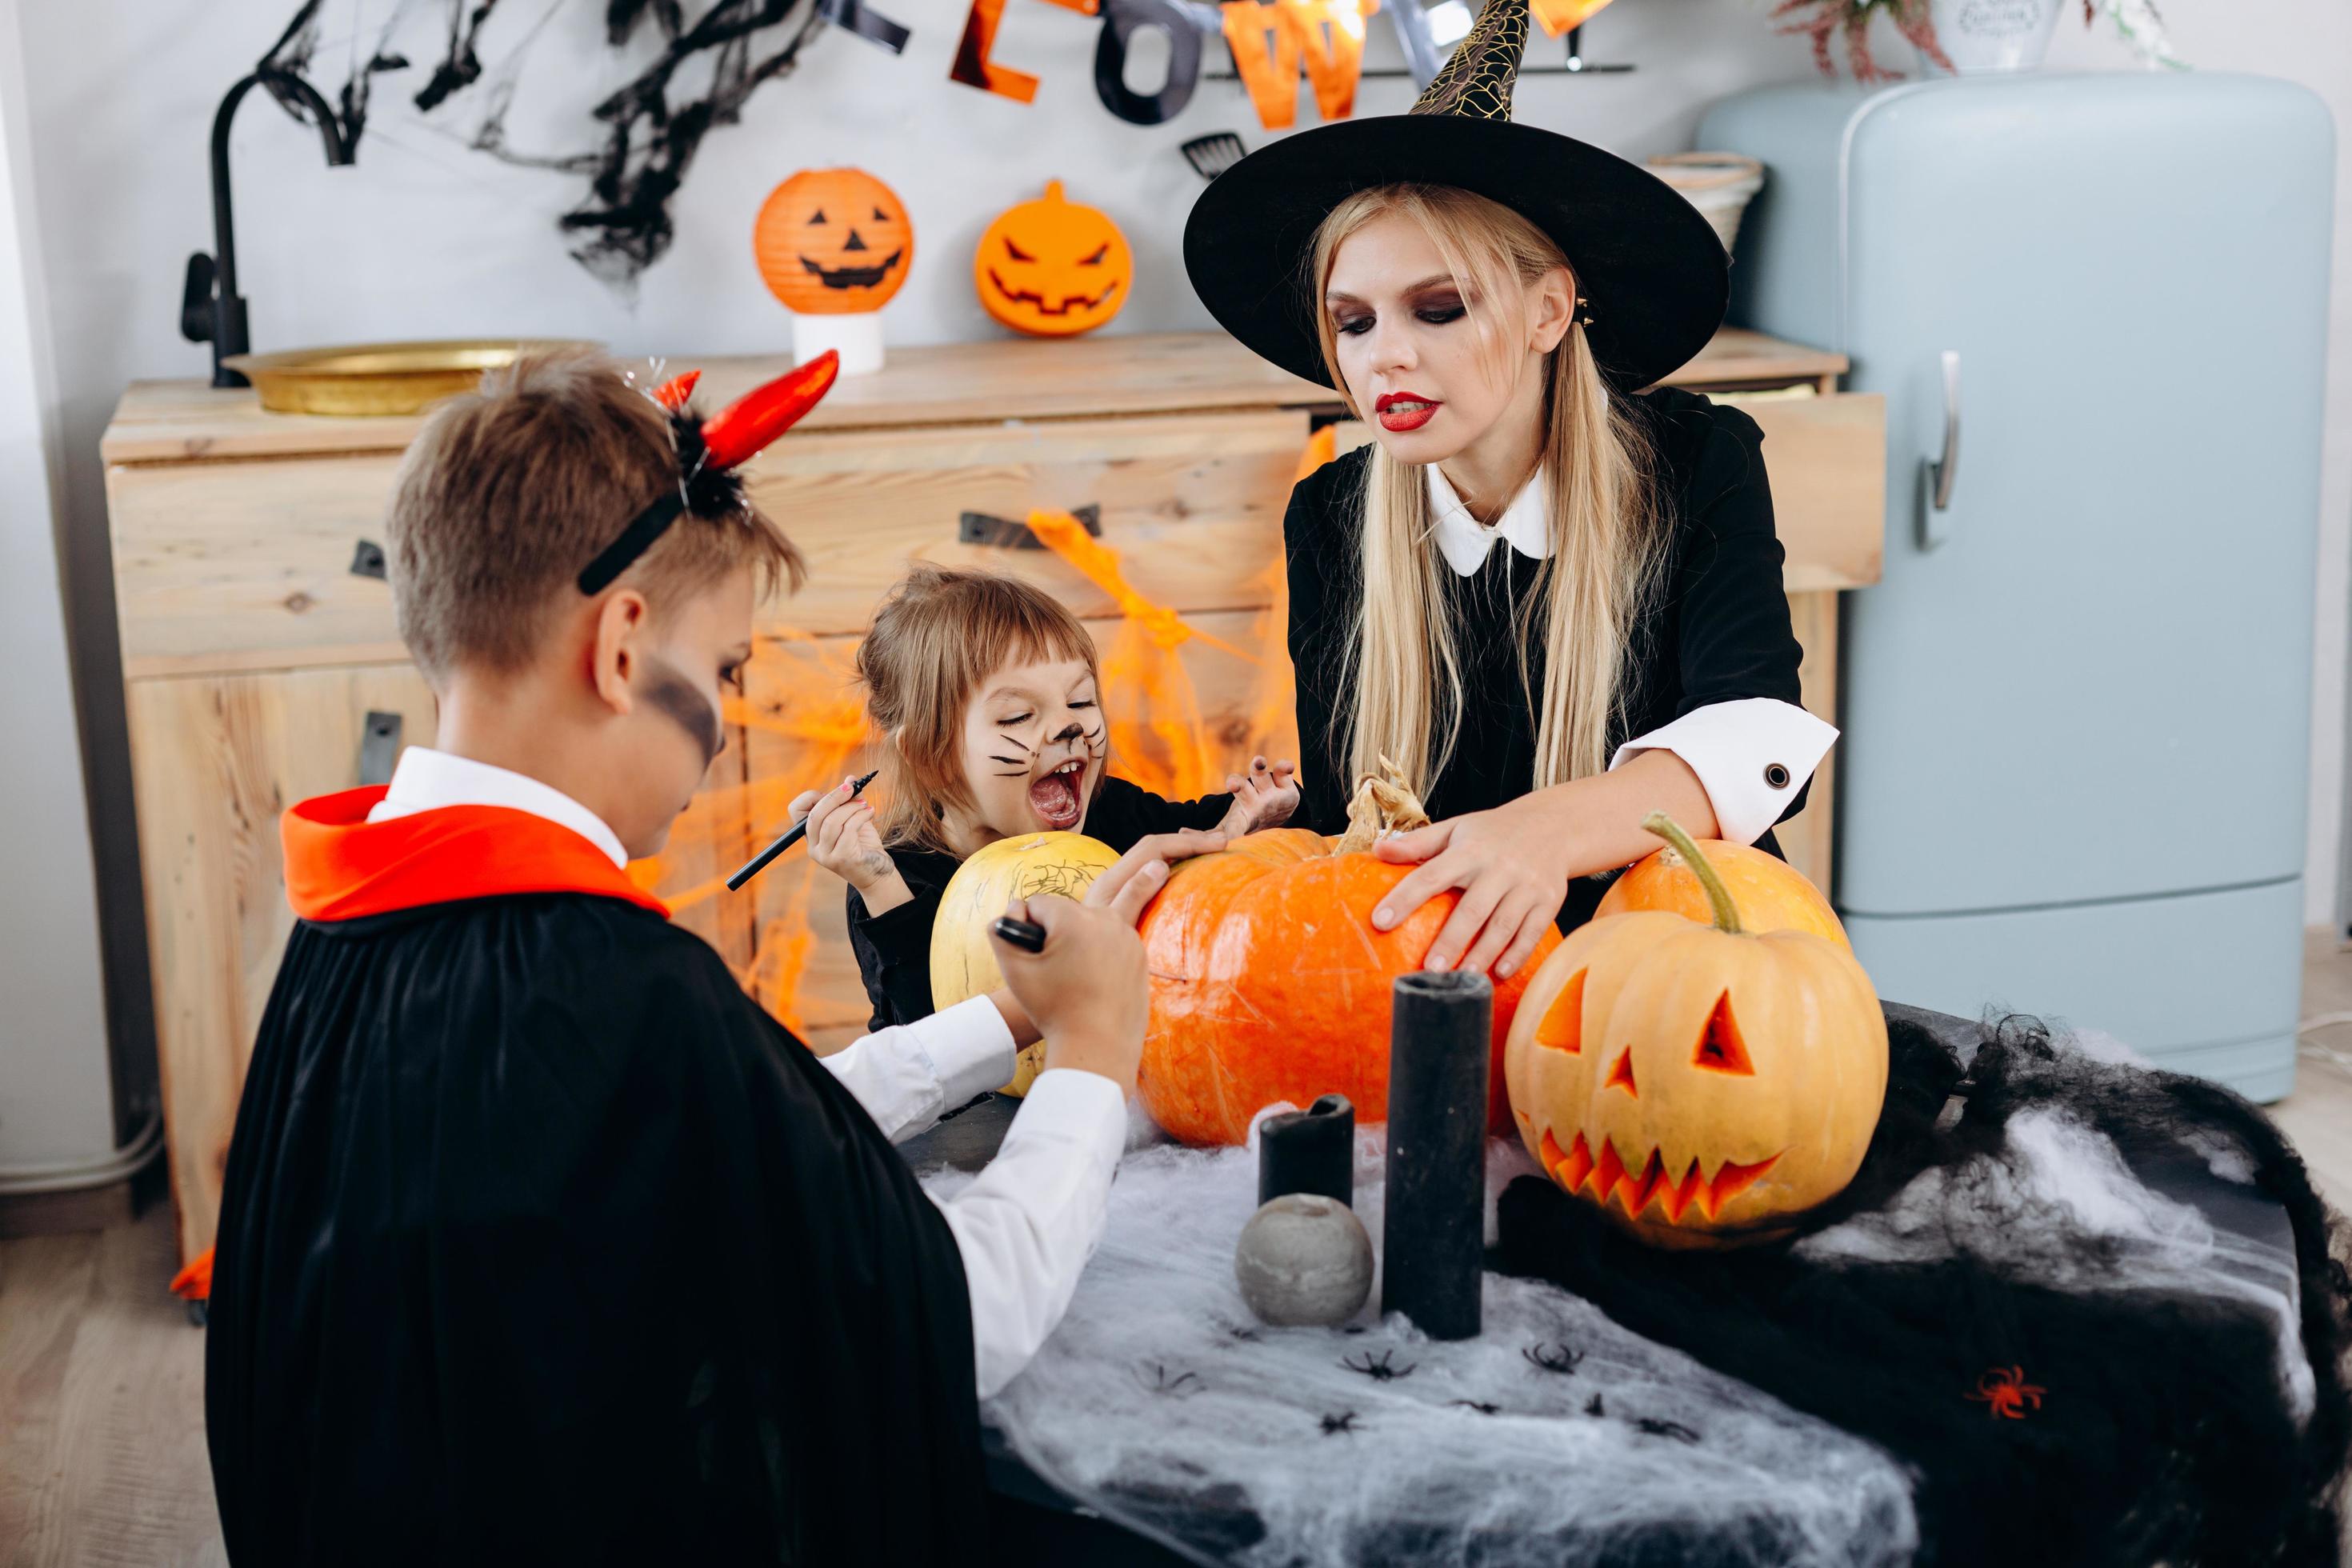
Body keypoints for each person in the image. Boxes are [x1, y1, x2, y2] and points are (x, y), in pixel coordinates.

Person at [202, 348, 1221, 1564]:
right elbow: (961, 1323)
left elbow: (739, 1125)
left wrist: (1002, 1017)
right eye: (727, 671)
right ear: (622, 649)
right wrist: (1092, 1057)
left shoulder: (361, 925)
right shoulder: (613, 984)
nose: (730, 716)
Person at [1182, 0, 1838, 986]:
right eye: (1352, 323)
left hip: (1674, 983)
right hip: (1447, 991)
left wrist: (1538, 834)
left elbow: (1754, 734)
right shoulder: (1332, 517)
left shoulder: (1697, 462)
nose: (1384, 356)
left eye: (1438, 309)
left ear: (1547, 308)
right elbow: (1345, 824)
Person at [794, 562, 1298, 1031]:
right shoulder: (896, 875)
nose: (1070, 725)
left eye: (1080, 700)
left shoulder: (1112, 813)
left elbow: (1199, 838)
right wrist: (879, 886)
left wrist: (1253, 818)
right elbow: (930, 1044)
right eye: (1017, 716)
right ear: (932, 756)